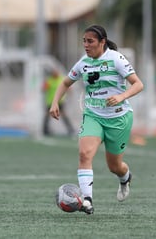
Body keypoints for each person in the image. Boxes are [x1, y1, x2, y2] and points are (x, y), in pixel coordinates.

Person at [49, 24, 144, 214]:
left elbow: (138, 84)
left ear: (102, 42)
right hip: (93, 115)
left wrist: (121, 96)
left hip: (118, 118)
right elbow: (66, 82)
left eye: (90, 41)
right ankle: (87, 201)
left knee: (114, 166)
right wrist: (54, 102)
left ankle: (125, 177)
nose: (86, 45)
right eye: (84, 41)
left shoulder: (116, 59)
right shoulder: (83, 62)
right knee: (84, 155)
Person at [42, 68, 74, 136]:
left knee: (64, 115)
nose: (56, 73)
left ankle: (70, 129)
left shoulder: (61, 79)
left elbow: (67, 87)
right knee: (47, 116)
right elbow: (43, 89)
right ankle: (45, 130)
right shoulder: (49, 80)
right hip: (50, 102)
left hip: (60, 101)